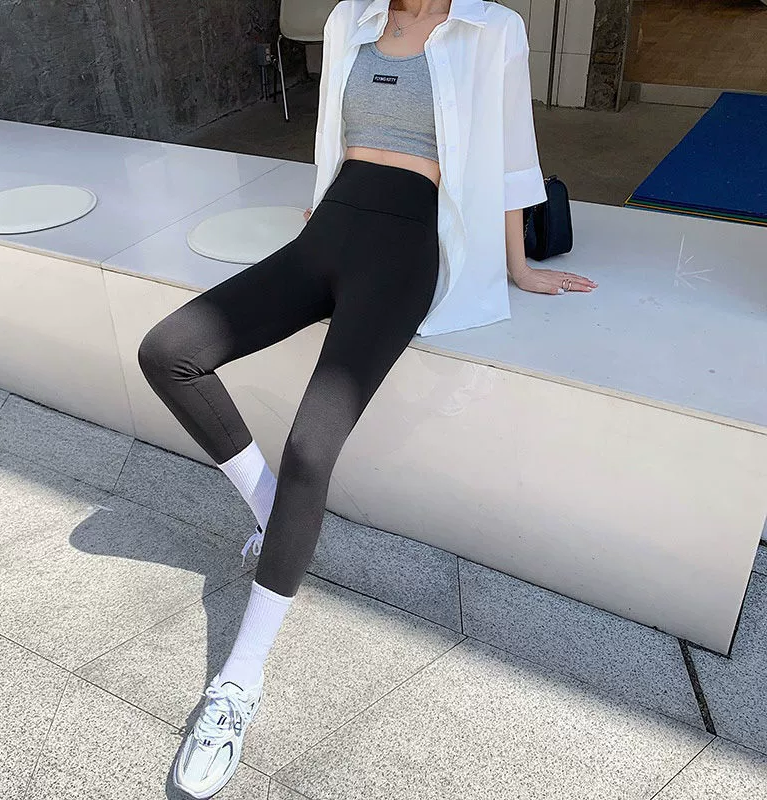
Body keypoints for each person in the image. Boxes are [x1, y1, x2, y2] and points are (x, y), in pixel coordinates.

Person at [137, 1, 597, 796]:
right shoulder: (351, 18)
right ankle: (273, 509)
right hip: (329, 230)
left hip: (407, 247)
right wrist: (320, 211)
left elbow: (512, 160)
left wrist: (519, 268)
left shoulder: (491, 28)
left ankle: (237, 685)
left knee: (311, 448)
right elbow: (333, 137)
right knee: (168, 351)